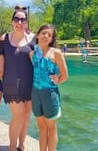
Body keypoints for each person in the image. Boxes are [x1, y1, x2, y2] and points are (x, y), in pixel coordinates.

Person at [0, 5, 35, 151]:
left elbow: (46, 56)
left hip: (30, 84)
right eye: (17, 19)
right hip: (11, 84)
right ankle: (12, 148)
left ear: (26, 22)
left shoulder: (34, 39)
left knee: (26, 116)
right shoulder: (4, 39)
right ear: (12, 21)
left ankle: (21, 145)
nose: (19, 22)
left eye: (23, 20)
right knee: (18, 116)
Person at [30, 23, 68, 151]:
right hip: (35, 93)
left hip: (50, 94)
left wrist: (57, 80)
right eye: (43, 33)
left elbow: (65, 76)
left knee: (51, 128)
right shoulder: (32, 53)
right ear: (38, 35)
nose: (46, 36)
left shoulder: (56, 53)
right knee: (41, 127)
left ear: (52, 39)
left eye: (49, 35)